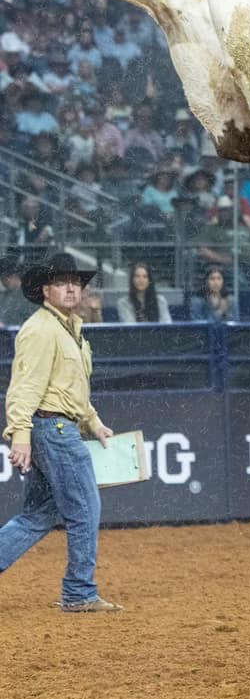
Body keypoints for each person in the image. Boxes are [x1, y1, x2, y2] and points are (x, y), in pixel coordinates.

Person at [0, 252, 121, 612]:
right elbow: (24, 387)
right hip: (52, 427)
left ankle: (79, 590)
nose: (71, 288)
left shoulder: (71, 327)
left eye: (75, 282)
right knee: (85, 509)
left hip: (56, 425)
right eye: (61, 282)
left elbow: (71, 388)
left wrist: (92, 422)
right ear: (44, 291)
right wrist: (19, 434)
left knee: (38, 515)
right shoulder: (40, 329)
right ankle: (79, 592)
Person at [0, 256, 34, 327]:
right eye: (2, 278)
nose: (4, 281)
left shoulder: (29, 295)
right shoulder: (3, 296)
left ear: (15, 275)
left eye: (6, 277)